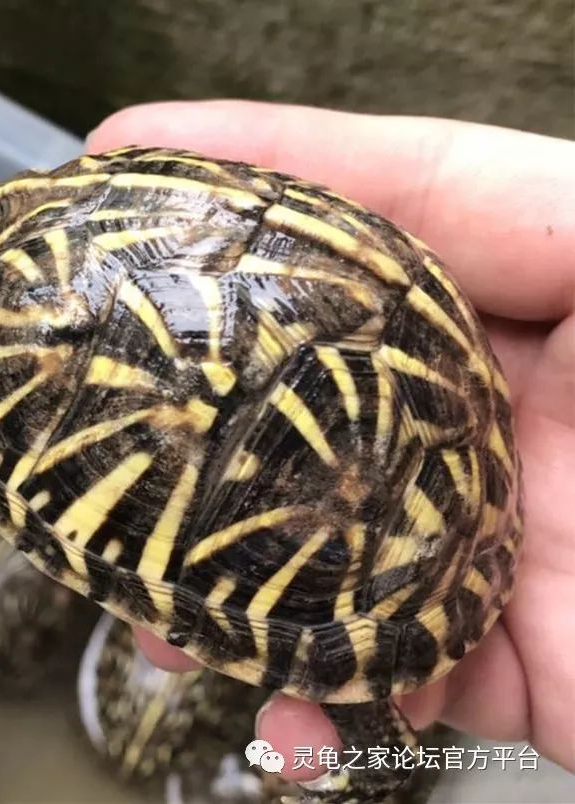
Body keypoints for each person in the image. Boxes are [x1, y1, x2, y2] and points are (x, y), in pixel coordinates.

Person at [86, 100, 575, 781]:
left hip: (369, 550)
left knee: (361, 750)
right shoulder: (109, 203)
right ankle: (375, 768)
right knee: (355, 746)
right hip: (455, 445)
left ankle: (376, 768)